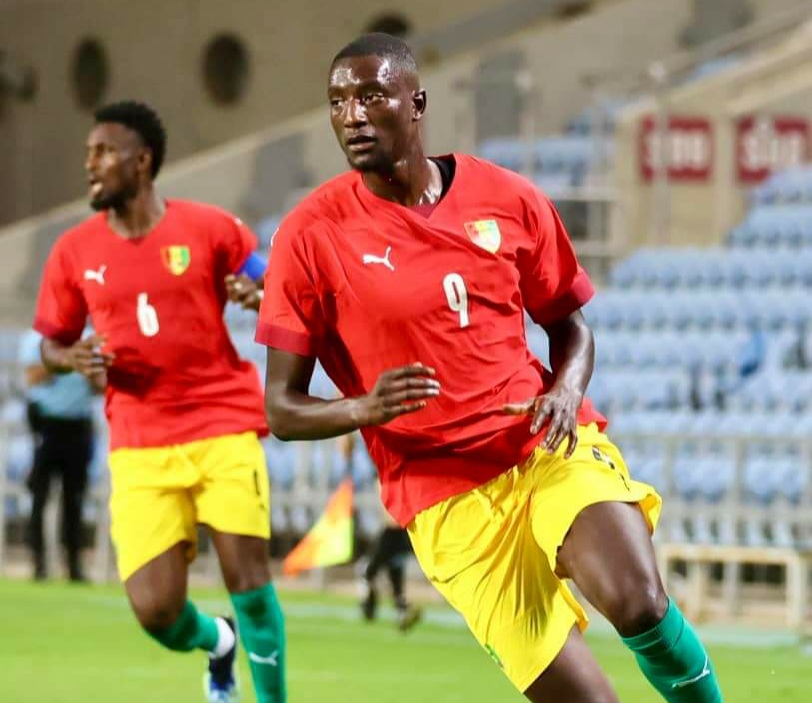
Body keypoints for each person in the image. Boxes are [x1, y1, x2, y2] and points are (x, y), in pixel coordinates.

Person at [258, 33, 724, 703]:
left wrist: (566, 390)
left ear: (416, 104)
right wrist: (363, 408)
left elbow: (571, 327)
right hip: (443, 499)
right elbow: (281, 408)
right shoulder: (310, 234)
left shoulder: (506, 196)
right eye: (338, 103)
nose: (352, 116)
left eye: (371, 97)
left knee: (639, 601)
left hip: (541, 447)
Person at [33, 100, 285, 703]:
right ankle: (218, 642)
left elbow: (275, 280)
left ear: (142, 162)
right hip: (139, 439)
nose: (90, 164)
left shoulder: (210, 228)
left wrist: (262, 293)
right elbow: (50, 344)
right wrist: (71, 358)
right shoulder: (73, 251)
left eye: (103, 152)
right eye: (89, 153)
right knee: (156, 611)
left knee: (250, 583)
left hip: (222, 424)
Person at [18, 329, 99, 582]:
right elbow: (32, 377)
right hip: (47, 424)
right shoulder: (35, 339)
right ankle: (38, 562)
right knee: (39, 495)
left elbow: (100, 385)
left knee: (75, 498)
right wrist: (64, 360)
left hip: (78, 426)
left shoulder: (89, 338)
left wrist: (87, 367)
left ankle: (74, 564)